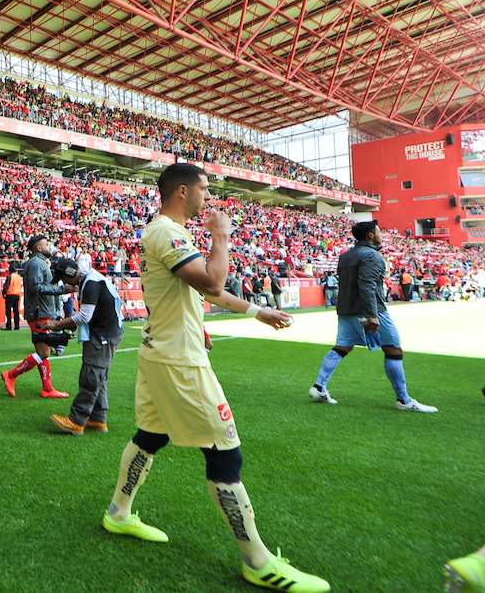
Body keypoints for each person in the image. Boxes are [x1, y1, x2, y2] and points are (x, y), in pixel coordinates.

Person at [100, 164, 329, 593]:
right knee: (225, 452)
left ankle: (118, 513)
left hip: (161, 352)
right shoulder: (167, 232)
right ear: (182, 191)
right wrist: (221, 236)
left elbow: (206, 290)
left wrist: (257, 311)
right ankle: (257, 561)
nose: (209, 197)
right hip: (180, 362)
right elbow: (212, 282)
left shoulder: (168, 233)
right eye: (204, 189)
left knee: (151, 435)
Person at [309, 221, 437, 413]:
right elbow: (367, 285)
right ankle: (404, 400)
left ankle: (319, 386)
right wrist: (372, 315)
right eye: (378, 232)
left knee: (342, 347)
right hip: (370, 309)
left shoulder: (346, 256)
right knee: (393, 350)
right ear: (370, 235)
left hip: (346, 309)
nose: (381, 235)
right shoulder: (372, 256)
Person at [48, 256, 124, 435]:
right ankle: (98, 419)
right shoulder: (91, 279)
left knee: (91, 376)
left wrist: (57, 324)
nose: (64, 283)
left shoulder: (90, 284)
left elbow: (84, 316)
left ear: (69, 273)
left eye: (63, 278)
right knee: (99, 377)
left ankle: (76, 421)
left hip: (103, 335)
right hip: (108, 333)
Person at [0, 235, 72, 399]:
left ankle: (47, 388)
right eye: (46, 244)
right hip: (39, 312)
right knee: (44, 352)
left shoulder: (40, 262)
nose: (49, 247)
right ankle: (11, 375)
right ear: (39, 248)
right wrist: (61, 290)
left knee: (43, 351)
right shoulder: (36, 263)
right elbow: (36, 287)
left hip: (42, 311)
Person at [4, 264, 22, 330]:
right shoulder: (19, 276)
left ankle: (9, 326)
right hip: (17, 294)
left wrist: (4, 293)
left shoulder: (10, 276)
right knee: (16, 311)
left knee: (8, 311)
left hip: (10, 294)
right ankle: (17, 326)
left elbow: (6, 286)